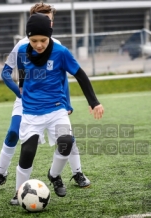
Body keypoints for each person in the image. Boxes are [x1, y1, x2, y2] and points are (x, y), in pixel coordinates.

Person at [0, 2, 90, 199]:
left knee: (67, 138)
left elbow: (63, 79)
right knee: (13, 134)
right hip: (26, 99)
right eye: (44, 16)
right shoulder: (22, 45)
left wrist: (66, 103)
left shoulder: (57, 46)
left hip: (54, 101)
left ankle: (76, 173)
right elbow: (8, 72)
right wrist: (20, 93)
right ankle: (1, 174)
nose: (48, 20)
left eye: (50, 18)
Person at [9, 13, 104, 204]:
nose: (38, 45)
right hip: (31, 111)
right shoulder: (22, 52)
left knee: (66, 141)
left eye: (43, 40)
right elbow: (21, 72)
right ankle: (19, 191)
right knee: (27, 152)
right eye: (33, 40)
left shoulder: (61, 52)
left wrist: (94, 102)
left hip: (56, 109)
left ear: (50, 36)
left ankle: (54, 175)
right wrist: (23, 90)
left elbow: (81, 75)